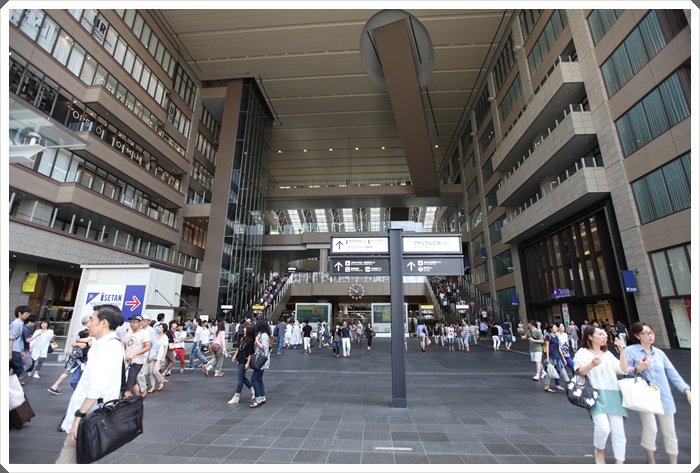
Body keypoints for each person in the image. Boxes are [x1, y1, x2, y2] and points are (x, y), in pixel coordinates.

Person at [55, 304, 125, 464]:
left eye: (92, 320)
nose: (88, 323)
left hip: (90, 417)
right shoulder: (102, 344)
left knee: (70, 459)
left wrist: (79, 417)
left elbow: (98, 386)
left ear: (104, 323)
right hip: (90, 416)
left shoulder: (109, 347)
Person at [624, 322, 691, 464]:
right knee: (651, 428)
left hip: (663, 395)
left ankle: (673, 462)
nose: (650, 336)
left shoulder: (659, 353)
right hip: (645, 395)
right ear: (637, 335)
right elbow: (624, 370)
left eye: (651, 333)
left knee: (670, 432)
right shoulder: (630, 351)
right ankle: (651, 460)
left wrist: (686, 390)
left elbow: (672, 373)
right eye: (646, 333)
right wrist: (638, 368)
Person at [574, 326, 628, 464]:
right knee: (603, 428)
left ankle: (620, 462)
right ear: (590, 337)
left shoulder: (608, 354)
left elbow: (623, 369)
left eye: (604, 334)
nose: (604, 336)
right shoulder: (582, 353)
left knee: (618, 431)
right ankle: (599, 450)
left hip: (614, 394)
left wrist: (622, 351)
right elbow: (580, 372)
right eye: (600, 334)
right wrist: (592, 364)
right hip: (595, 394)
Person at [48, 316, 91, 395]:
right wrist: (80, 342)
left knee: (68, 372)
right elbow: (80, 342)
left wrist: (78, 341)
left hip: (75, 356)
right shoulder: (88, 332)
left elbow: (74, 343)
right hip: (82, 358)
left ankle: (55, 386)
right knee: (77, 374)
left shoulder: (82, 332)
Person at [123, 315, 151, 398]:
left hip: (137, 361)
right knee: (132, 382)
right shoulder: (128, 333)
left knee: (129, 382)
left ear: (140, 323)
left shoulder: (144, 333)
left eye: (134, 322)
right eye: (131, 322)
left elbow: (147, 346)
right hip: (127, 361)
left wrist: (134, 354)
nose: (132, 324)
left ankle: (126, 397)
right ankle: (138, 399)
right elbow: (125, 345)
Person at [228, 325, 256, 404]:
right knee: (242, 377)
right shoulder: (243, 338)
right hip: (240, 359)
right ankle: (253, 390)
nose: (244, 329)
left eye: (245, 328)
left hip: (244, 360)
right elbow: (239, 348)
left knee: (240, 379)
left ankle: (237, 396)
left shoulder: (250, 340)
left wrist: (248, 363)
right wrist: (235, 355)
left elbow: (250, 353)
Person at [249, 319, 271, 408]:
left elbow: (264, 347)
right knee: (259, 379)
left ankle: (258, 398)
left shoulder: (264, 335)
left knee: (254, 379)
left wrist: (257, 341)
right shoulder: (262, 334)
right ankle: (262, 396)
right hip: (262, 359)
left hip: (261, 360)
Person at [9, 305, 32, 380]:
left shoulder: (20, 324)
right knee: (19, 369)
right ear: (19, 313)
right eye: (26, 313)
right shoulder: (16, 324)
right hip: (14, 350)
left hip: (16, 350)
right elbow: (10, 338)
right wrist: (9, 353)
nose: (28, 315)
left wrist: (21, 350)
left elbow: (19, 339)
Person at [147, 323, 168, 392]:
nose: (158, 329)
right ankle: (153, 386)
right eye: (158, 327)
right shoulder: (155, 336)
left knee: (155, 371)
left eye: (160, 327)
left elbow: (165, 348)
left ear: (163, 329)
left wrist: (163, 357)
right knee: (151, 372)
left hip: (159, 356)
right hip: (153, 355)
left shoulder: (165, 337)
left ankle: (161, 380)